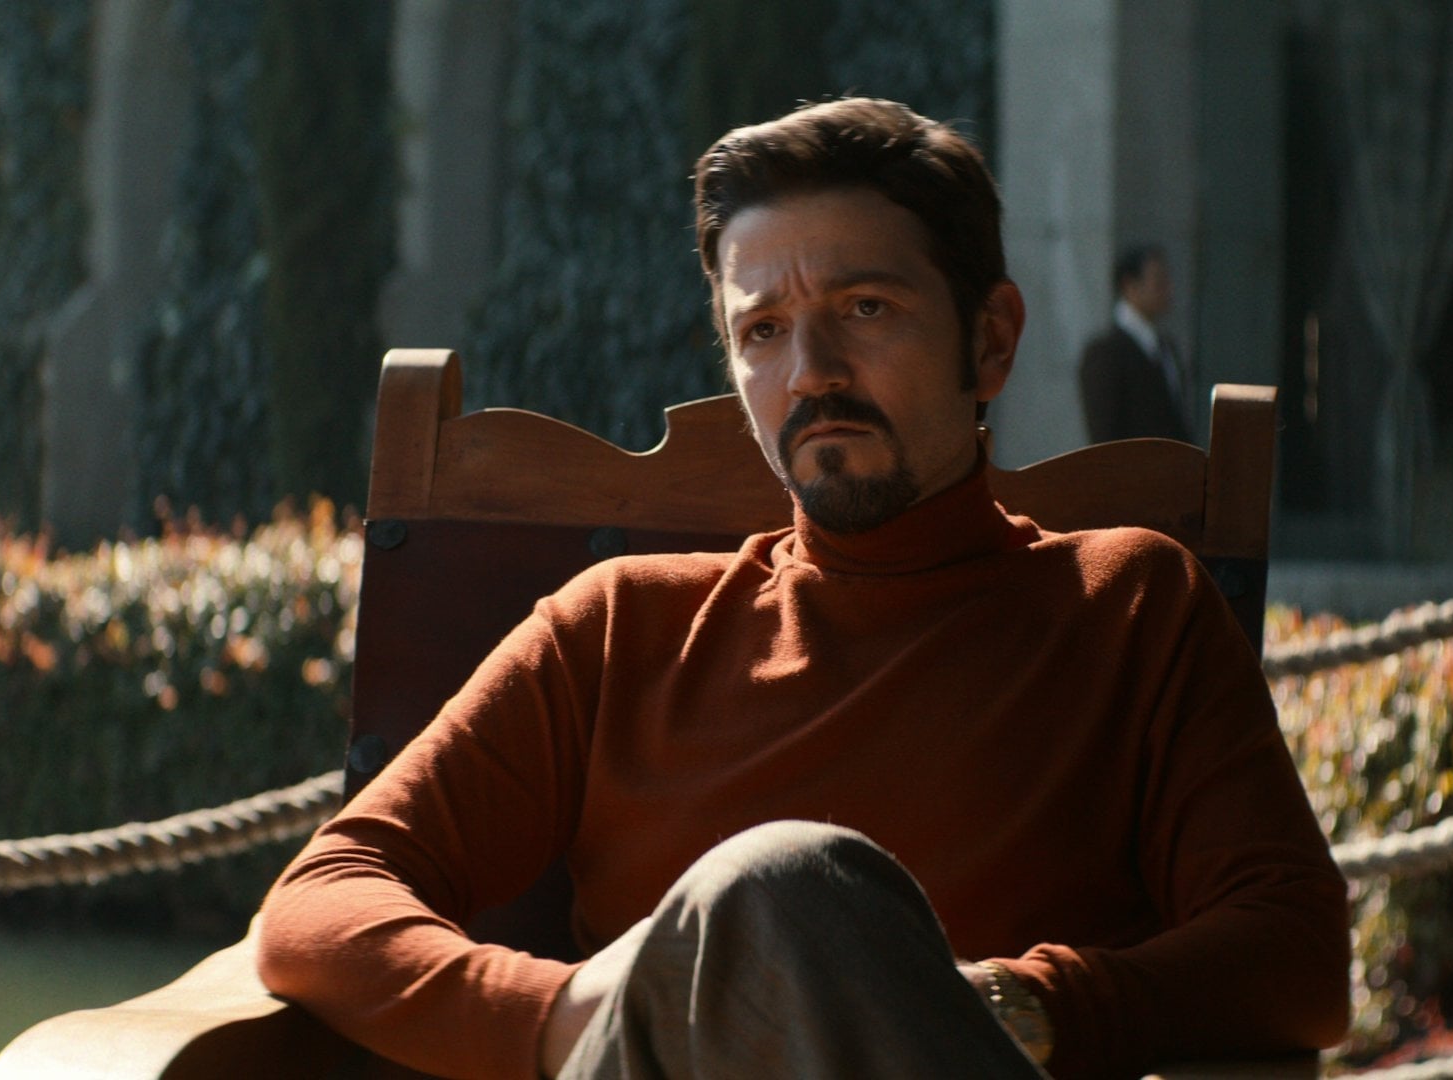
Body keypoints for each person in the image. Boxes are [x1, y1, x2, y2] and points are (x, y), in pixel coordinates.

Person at [258, 98, 1348, 1080]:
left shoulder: (1130, 609)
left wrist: (1011, 1006)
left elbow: (1295, 953)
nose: (810, 371)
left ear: (991, 340)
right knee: (774, 889)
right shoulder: (622, 626)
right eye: (763, 331)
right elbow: (325, 899)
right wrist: (576, 1016)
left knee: (788, 885)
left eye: (865, 309)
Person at [1077, 244, 1195, 444]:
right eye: (1158, 282)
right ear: (1130, 285)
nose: (1168, 290)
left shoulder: (1166, 348)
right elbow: (1103, 435)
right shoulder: (1105, 353)